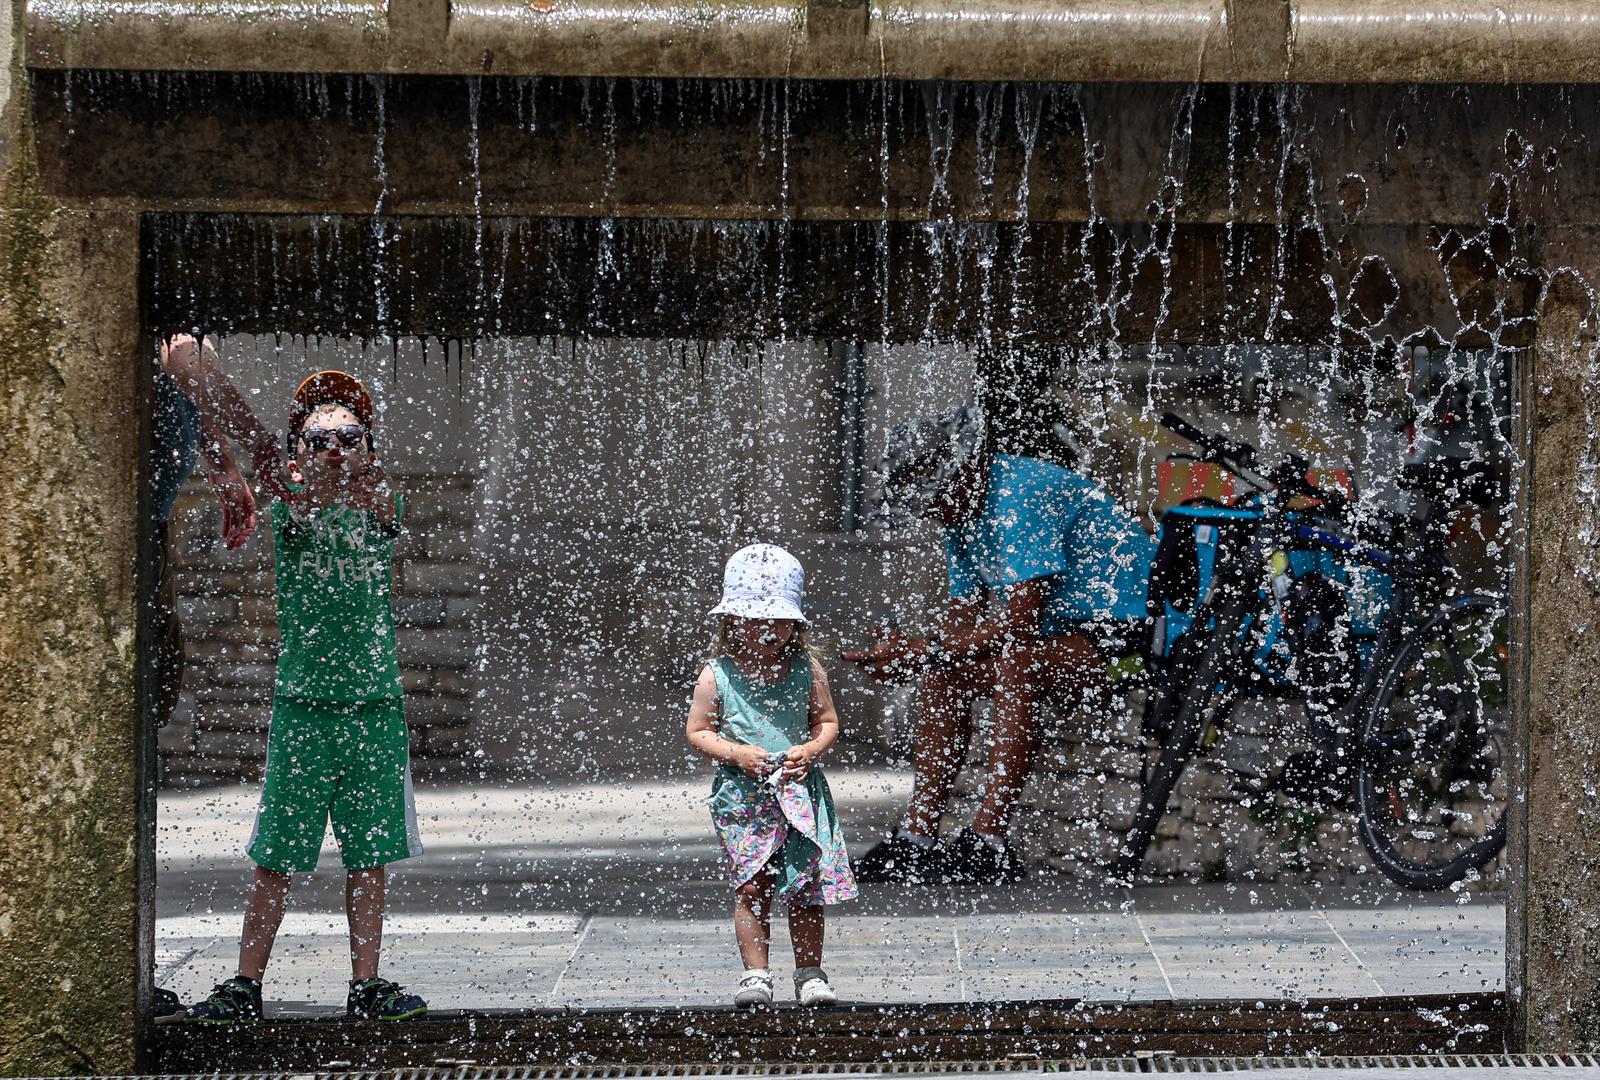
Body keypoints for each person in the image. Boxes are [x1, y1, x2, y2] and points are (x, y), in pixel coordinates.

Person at [182, 369, 427, 1025]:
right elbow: (268, 471)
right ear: (297, 455)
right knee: (276, 855)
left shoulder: (383, 506)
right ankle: (245, 983)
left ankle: (366, 984)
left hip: (374, 708)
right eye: (319, 441)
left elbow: (379, 506)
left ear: (370, 450)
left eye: (350, 438)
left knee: (370, 855)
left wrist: (354, 477)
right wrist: (211, 407)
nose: (335, 451)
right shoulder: (292, 510)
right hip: (304, 710)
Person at [844, 404, 1154, 885]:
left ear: (964, 470)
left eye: (934, 498)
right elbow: (961, 625)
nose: (932, 513)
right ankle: (916, 836)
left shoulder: (1018, 496)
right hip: (1060, 634)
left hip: (1131, 634)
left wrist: (927, 648)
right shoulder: (960, 510)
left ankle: (989, 842)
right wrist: (914, 654)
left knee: (1015, 662)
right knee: (946, 673)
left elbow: (1020, 623)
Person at [685, 544, 858, 1008]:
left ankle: (810, 973)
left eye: (779, 621)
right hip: (743, 797)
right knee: (752, 885)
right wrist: (737, 753)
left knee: (805, 886)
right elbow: (698, 731)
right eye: (755, 619)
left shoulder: (807, 669)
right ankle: (755, 974)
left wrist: (810, 750)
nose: (767, 629)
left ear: (795, 624)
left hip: (800, 793)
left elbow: (827, 721)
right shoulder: (717, 674)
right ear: (731, 621)